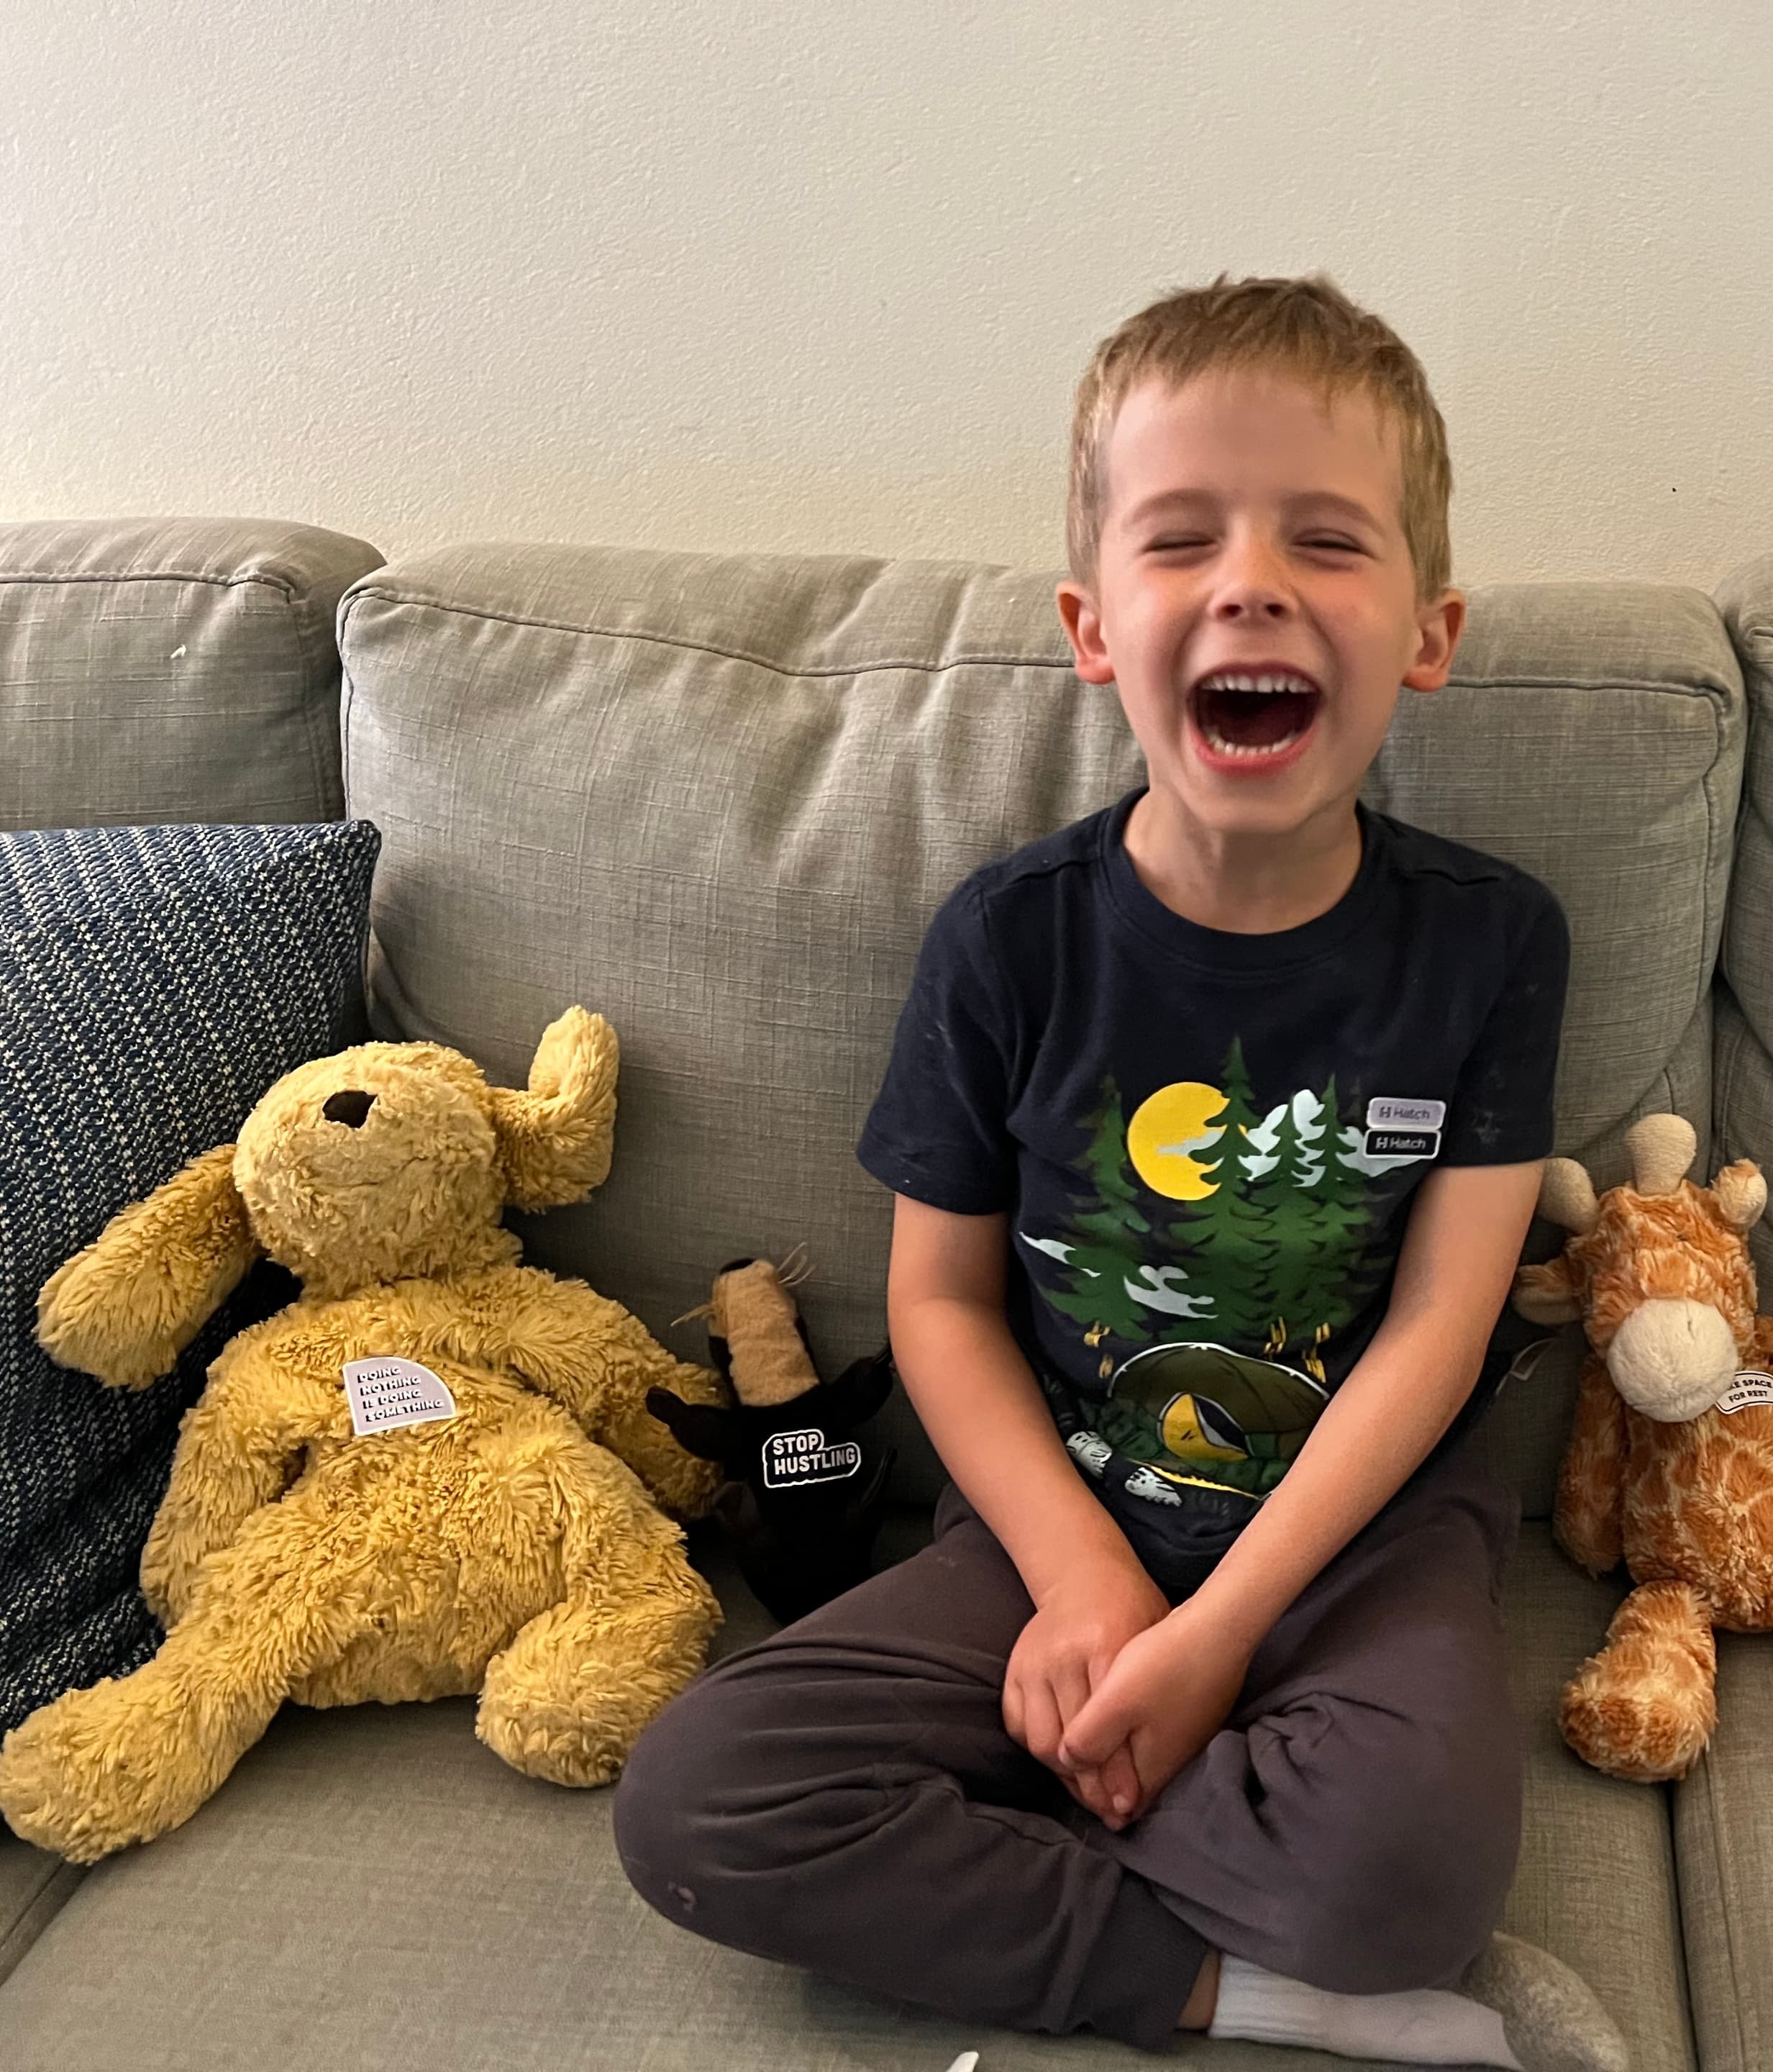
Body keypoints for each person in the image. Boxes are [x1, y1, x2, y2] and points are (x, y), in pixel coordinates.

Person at [614, 274, 1626, 2072]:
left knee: (1414, 1867)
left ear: (1429, 630)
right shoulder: (1009, 944)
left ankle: (1117, 1833)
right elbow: (936, 1303)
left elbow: (1441, 1333)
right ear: (1095, 627)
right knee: (696, 1804)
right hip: (1053, 1519)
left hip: (1355, 1543)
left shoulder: (1491, 944)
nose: (1251, 580)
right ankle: (1252, 1990)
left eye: (1327, 537)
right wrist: (1090, 1588)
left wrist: (1221, 1635)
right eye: (1183, 541)